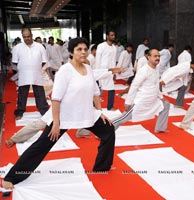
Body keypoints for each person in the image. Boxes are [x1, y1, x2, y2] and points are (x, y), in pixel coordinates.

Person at [2, 37, 116, 190]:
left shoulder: (88, 69)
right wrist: (56, 123)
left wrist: (99, 112)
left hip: (86, 113)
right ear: (71, 52)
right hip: (64, 117)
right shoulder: (65, 70)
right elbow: (56, 99)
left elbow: (95, 93)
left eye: (85, 49)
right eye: (79, 49)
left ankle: (102, 167)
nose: (83, 52)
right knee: (41, 145)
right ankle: (12, 177)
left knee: (108, 131)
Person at [113, 49, 170, 133]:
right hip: (142, 101)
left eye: (158, 56)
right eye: (155, 56)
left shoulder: (156, 68)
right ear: (149, 57)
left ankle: (160, 128)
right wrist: (128, 102)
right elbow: (134, 86)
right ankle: (105, 131)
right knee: (123, 118)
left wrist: (161, 97)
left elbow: (156, 84)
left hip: (153, 100)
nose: (157, 58)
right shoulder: (144, 70)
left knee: (166, 104)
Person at [13, 28, 49, 120]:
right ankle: (20, 112)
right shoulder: (17, 48)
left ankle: (44, 111)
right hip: (24, 74)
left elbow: (44, 61)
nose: (27, 38)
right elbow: (15, 62)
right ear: (22, 37)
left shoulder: (40, 46)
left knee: (40, 93)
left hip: (37, 73)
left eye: (28, 36)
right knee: (22, 94)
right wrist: (25, 67)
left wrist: (35, 67)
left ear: (32, 35)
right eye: (24, 37)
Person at [95, 30, 117, 110]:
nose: (113, 37)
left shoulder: (114, 48)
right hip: (101, 70)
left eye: (114, 35)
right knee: (97, 89)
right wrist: (97, 72)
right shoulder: (101, 46)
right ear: (107, 36)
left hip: (110, 71)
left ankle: (110, 106)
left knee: (111, 88)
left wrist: (114, 72)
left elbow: (114, 60)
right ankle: (94, 105)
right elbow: (98, 59)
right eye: (111, 35)